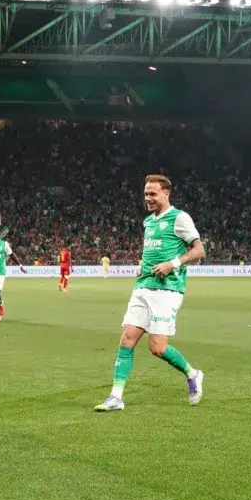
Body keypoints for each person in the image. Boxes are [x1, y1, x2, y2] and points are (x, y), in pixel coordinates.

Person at [95, 175, 205, 412]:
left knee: (157, 347)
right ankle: (116, 397)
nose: (148, 198)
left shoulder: (179, 218)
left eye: (153, 194)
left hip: (168, 290)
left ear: (166, 193)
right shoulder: (148, 222)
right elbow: (152, 251)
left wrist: (172, 264)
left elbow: (199, 250)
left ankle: (193, 373)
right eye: (146, 194)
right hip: (143, 287)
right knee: (127, 339)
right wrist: (142, 266)